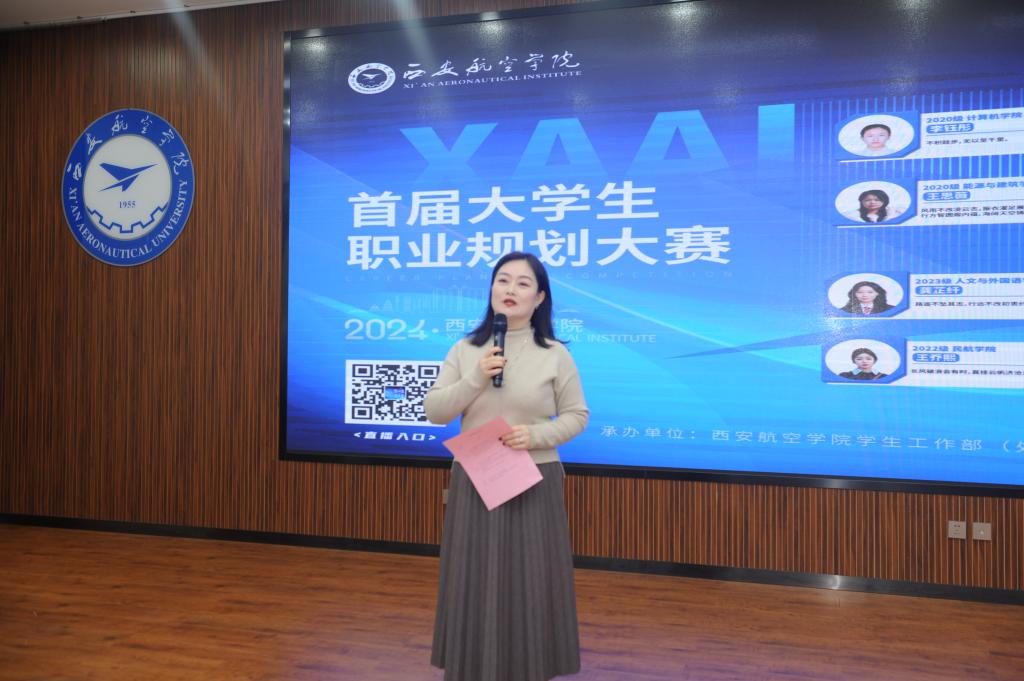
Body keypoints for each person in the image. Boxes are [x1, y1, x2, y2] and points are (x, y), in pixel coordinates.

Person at [424, 251, 588, 681]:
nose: (510, 289)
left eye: (522, 283)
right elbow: (435, 411)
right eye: (503, 280)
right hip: (476, 477)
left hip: (534, 478)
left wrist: (536, 436)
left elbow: (577, 415)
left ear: (540, 298)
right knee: (473, 579)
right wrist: (476, 377)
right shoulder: (465, 350)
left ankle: (532, 668)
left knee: (531, 581)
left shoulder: (555, 354)